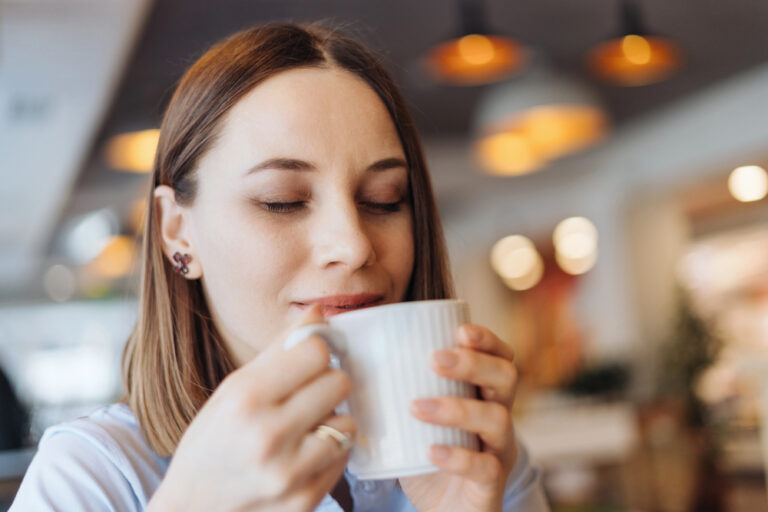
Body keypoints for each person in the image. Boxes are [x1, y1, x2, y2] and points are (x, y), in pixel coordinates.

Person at [11, 22, 549, 511]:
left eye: (386, 199)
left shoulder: (475, 458)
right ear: (177, 230)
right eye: (281, 200)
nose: (354, 245)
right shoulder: (90, 478)